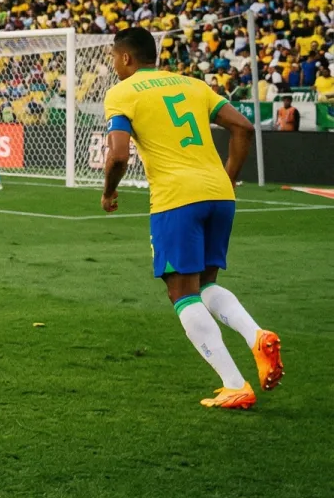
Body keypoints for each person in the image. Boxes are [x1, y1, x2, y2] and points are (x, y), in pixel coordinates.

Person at [101, 26, 281, 409]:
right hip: (219, 194)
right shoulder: (194, 84)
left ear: (127, 58)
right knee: (204, 284)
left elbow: (118, 155)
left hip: (176, 198)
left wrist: (109, 190)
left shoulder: (121, 92)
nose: (114, 64)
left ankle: (234, 383)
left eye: (114, 57)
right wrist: (227, 178)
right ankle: (256, 336)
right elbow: (243, 127)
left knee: (181, 292)